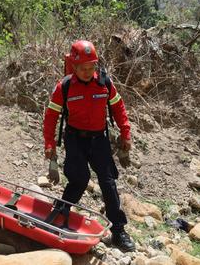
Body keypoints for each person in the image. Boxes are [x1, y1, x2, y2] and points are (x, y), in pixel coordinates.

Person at [43, 40, 135, 252]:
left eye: (91, 67)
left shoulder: (104, 83)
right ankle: (60, 212)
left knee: (108, 182)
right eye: (83, 68)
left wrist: (125, 133)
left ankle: (119, 231)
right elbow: (51, 116)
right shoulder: (64, 87)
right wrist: (49, 144)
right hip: (75, 139)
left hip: (99, 139)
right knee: (79, 179)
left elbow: (119, 108)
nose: (88, 72)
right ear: (73, 67)